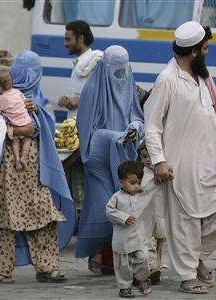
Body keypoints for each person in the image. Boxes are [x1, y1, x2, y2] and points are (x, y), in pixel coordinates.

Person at [144, 21, 216, 294]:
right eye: (205, 48)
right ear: (195, 51)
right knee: (184, 221)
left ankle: (195, 258)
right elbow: (152, 125)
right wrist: (159, 160)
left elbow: (209, 118)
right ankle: (186, 276)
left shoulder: (201, 77)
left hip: (209, 161)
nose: (208, 52)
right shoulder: (167, 80)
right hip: (180, 163)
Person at [0, 50, 76, 283]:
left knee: (43, 215)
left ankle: (47, 268)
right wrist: (17, 130)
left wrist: (37, 113)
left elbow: (47, 128)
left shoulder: (38, 99)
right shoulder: (0, 96)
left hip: (37, 171)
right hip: (7, 169)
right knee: (7, 218)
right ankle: (4, 271)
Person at [76, 45, 144, 275]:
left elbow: (135, 113)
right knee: (103, 207)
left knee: (123, 204)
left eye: (122, 68)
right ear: (105, 67)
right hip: (98, 155)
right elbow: (87, 129)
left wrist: (134, 128)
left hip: (122, 153)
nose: (119, 74)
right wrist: (115, 136)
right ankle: (95, 252)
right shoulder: (92, 88)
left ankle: (111, 260)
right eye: (114, 69)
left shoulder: (128, 83)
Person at [106, 160, 157, 298]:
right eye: (132, 183)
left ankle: (140, 279)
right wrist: (123, 218)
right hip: (122, 240)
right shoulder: (116, 198)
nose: (136, 186)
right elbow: (109, 211)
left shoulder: (141, 195)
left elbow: (151, 188)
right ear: (121, 181)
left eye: (139, 183)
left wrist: (159, 178)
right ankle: (124, 287)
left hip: (138, 238)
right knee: (123, 266)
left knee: (143, 258)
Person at [0, 68, 32, 171]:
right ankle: (24, 157)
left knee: (15, 140)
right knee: (27, 139)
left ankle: (17, 159)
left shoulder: (1, 99)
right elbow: (25, 101)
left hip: (15, 124)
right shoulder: (17, 92)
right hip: (26, 121)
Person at [58, 20, 103, 118]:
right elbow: (78, 94)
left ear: (81, 38)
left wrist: (80, 101)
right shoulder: (79, 63)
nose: (65, 44)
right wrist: (66, 99)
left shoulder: (95, 61)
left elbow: (103, 95)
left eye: (68, 39)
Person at [138, 141, 166, 285]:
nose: (148, 159)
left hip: (161, 214)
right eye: (144, 156)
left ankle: (157, 267)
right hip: (146, 217)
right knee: (148, 241)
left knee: (160, 242)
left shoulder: (164, 172)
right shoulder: (141, 175)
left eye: (150, 156)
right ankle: (151, 267)